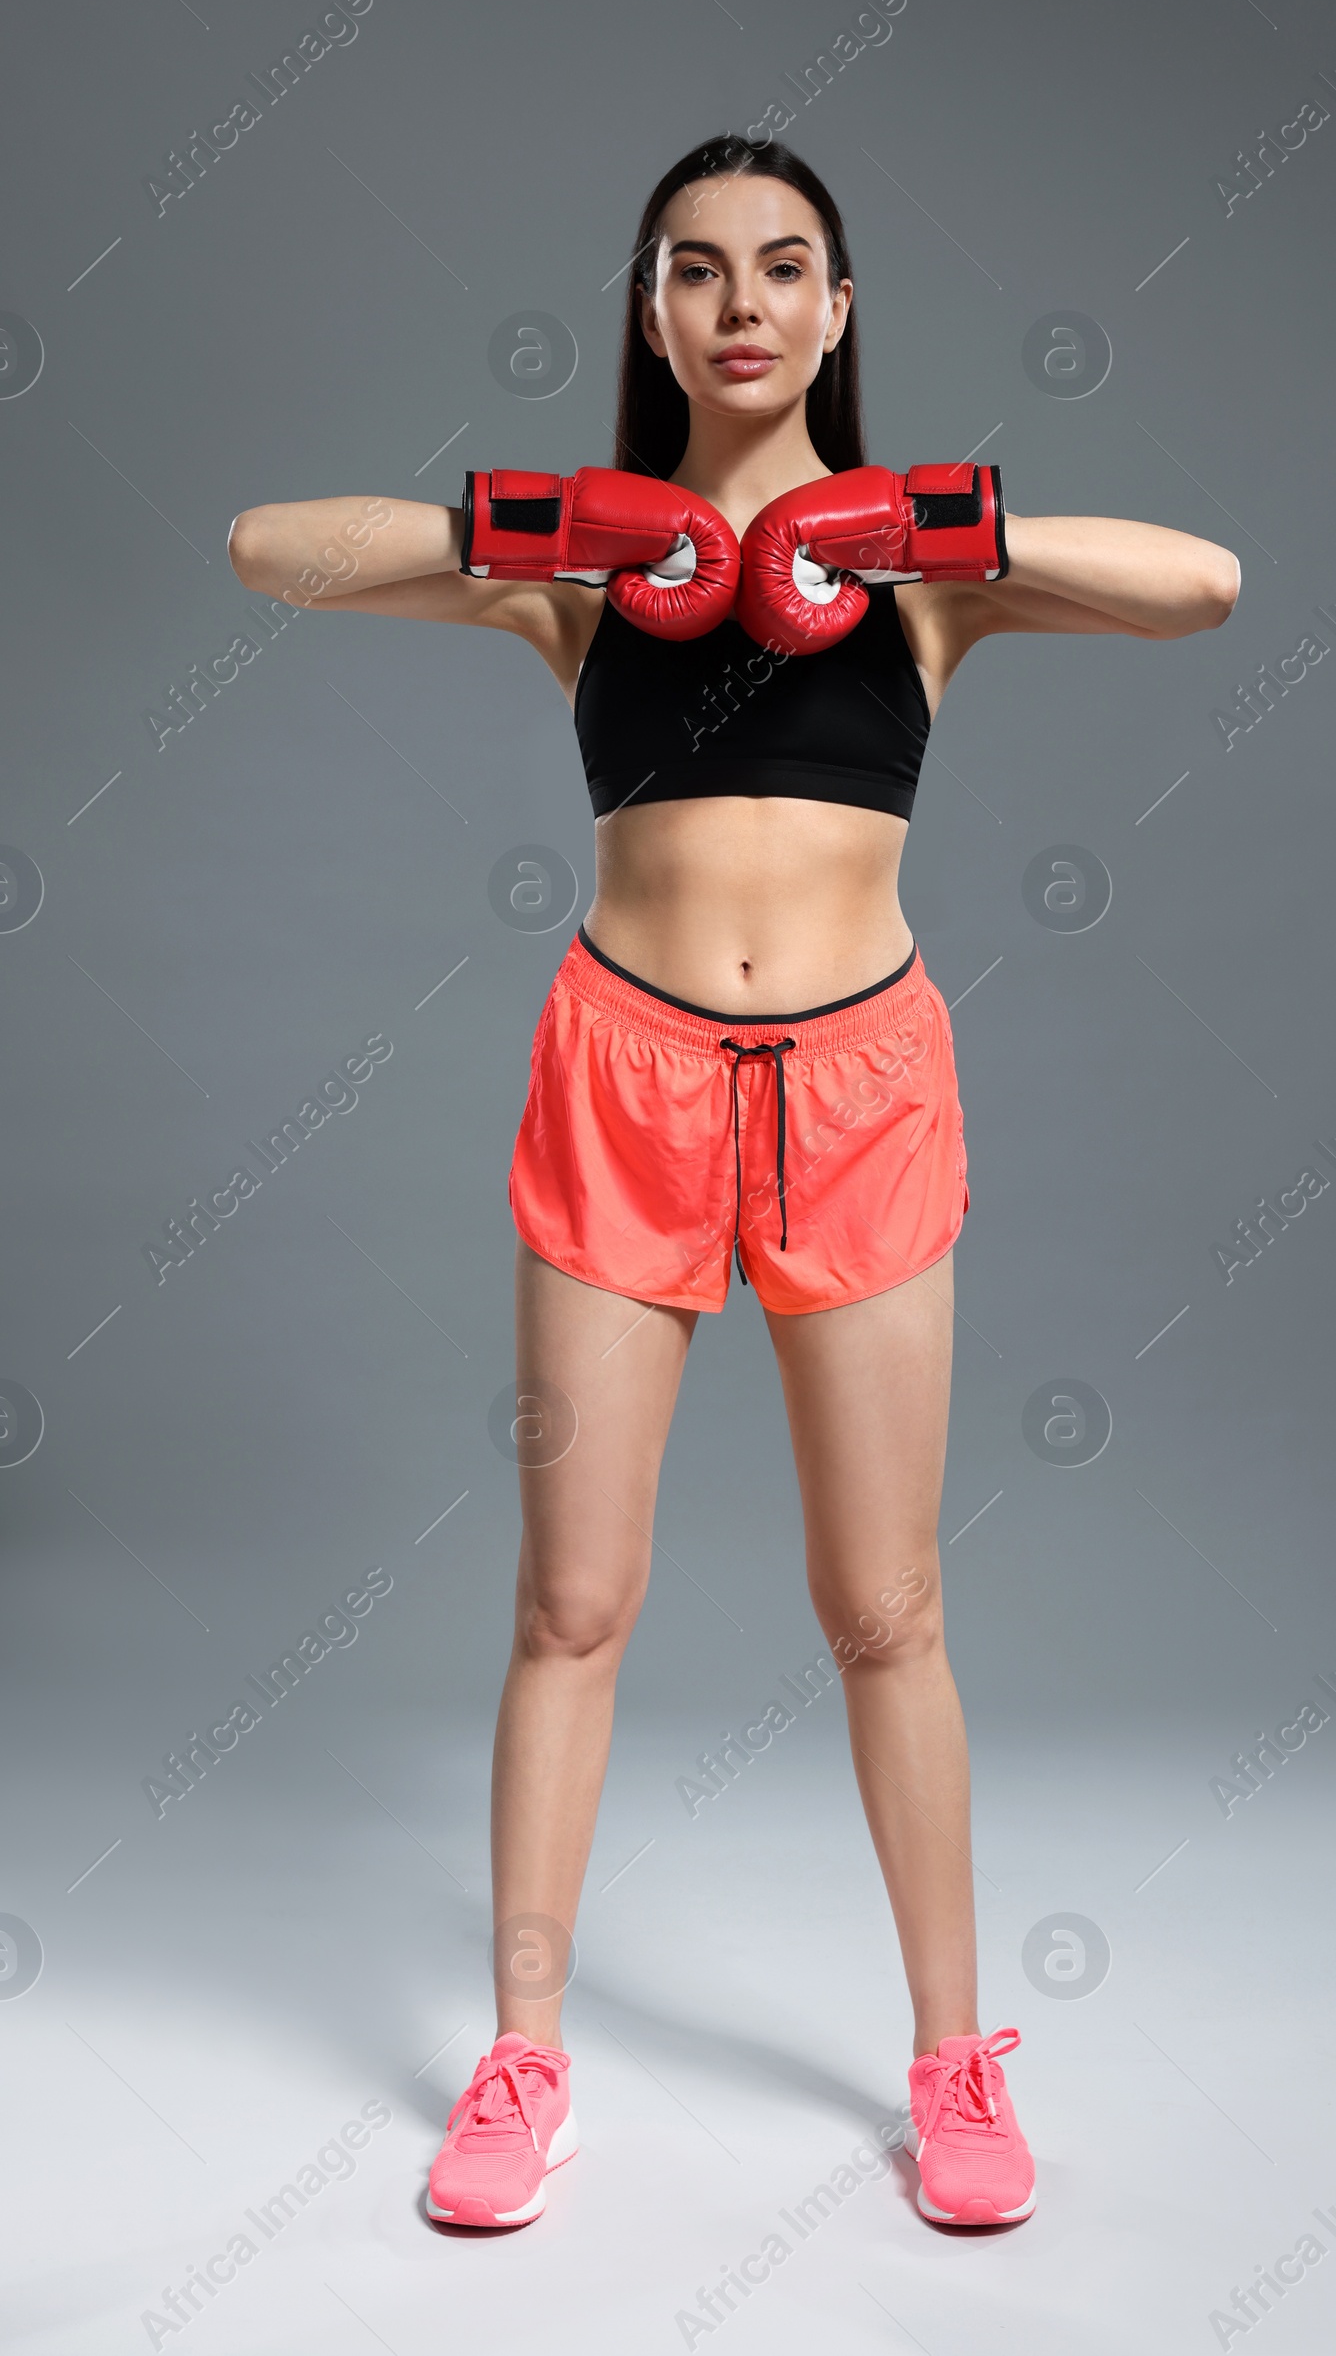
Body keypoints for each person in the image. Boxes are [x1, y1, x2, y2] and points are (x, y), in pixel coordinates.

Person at [228, 132, 1239, 2235]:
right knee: (570, 1602)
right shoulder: (578, 573)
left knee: (884, 1609)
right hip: (627, 1073)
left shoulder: (919, 577)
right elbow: (265, 550)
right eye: (694, 272)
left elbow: (1202, 585)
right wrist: (563, 520)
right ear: (651, 311)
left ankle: (954, 2068)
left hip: (859, 1084)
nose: (741, 303)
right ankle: (521, 2064)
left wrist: (913, 520)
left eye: (784, 268)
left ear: (838, 309)